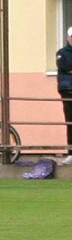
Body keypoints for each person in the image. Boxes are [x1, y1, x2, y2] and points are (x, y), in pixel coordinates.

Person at [56, 27, 72, 165]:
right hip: (68, 91)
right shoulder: (62, 53)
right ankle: (71, 153)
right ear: (68, 38)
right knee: (71, 122)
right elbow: (66, 66)